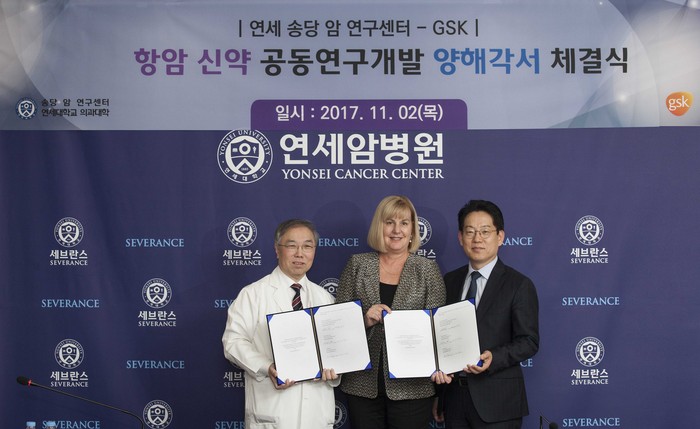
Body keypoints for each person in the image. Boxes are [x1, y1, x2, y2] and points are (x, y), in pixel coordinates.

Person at [336, 195, 446, 429]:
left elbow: (438, 331)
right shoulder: (357, 265)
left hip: (413, 388)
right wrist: (365, 320)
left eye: (404, 223)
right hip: (362, 386)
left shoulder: (427, 270)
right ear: (379, 226)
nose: (397, 230)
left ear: (413, 230)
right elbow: (337, 326)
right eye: (389, 222)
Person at [222, 219, 339, 429]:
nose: (300, 254)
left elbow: (336, 350)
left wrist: (335, 370)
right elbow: (233, 342)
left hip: (316, 412)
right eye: (292, 246)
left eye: (307, 246)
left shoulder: (325, 298)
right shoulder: (252, 294)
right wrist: (267, 367)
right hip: (272, 409)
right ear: (277, 250)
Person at [433, 200, 539, 428]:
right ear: (460, 238)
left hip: (498, 402)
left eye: (485, 231)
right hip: (454, 399)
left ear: (500, 237)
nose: (477, 239)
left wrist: (494, 358)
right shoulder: (449, 281)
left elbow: (529, 341)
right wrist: (438, 395)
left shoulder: (518, 284)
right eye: (470, 232)